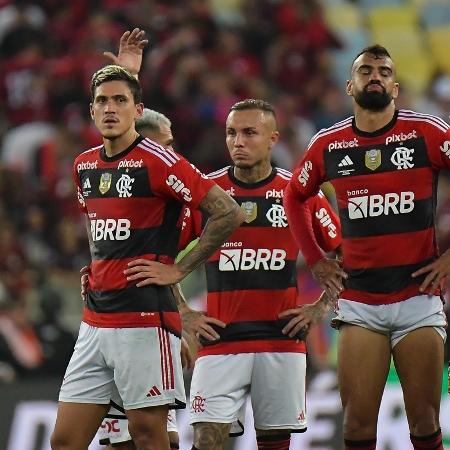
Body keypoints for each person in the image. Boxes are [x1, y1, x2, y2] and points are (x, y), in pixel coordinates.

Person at [50, 45, 244, 450]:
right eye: (101, 101)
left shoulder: (160, 160)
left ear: (137, 110)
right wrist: (98, 267)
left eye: (120, 100)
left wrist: (179, 269)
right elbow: (101, 228)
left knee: (149, 436)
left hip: (142, 320)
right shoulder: (84, 164)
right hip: (94, 321)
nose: (109, 108)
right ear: (90, 112)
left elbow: (227, 213)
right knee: (65, 440)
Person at [126, 98, 342, 450]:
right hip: (219, 344)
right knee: (207, 439)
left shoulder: (299, 196)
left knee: (274, 443)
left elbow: (345, 254)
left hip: (281, 341)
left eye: (249, 133)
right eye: (231, 133)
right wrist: (185, 314)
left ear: (273, 138)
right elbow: (156, 256)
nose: (237, 141)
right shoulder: (207, 195)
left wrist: (319, 308)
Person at [284, 44, 450, 450]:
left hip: (418, 298)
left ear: (395, 86)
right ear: (349, 85)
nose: (375, 76)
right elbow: (294, 196)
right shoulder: (329, 144)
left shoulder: (427, 132)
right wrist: (316, 258)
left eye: (384, 71)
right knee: (357, 426)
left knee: (425, 422)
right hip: (359, 301)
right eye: (365, 70)